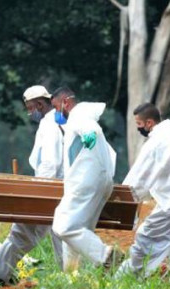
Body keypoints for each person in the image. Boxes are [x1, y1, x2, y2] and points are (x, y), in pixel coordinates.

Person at [116, 102, 170, 277]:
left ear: (149, 123)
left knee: (146, 236)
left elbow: (140, 174)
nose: (138, 129)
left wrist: (123, 197)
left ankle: (129, 275)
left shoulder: (155, 142)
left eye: (139, 124)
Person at [0, 85, 64, 285]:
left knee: (23, 232)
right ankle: (71, 279)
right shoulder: (57, 123)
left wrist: (40, 192)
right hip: (58, 189)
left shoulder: (49, 126)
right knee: (55, 234)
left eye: (30, 108)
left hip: (49, 189)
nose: (29, 113)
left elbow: (49, 163)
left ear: (40, 104)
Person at [50, 87, 118, 271]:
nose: (57, 113)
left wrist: (89, 138)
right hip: (97, 181)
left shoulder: (78, 115)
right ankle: (71, 275)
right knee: (79, 230)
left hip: (84, 181)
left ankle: (105, 255)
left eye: (56, 107)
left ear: (66, 102)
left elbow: (91, 131)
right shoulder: (81, 117)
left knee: (63, 225)